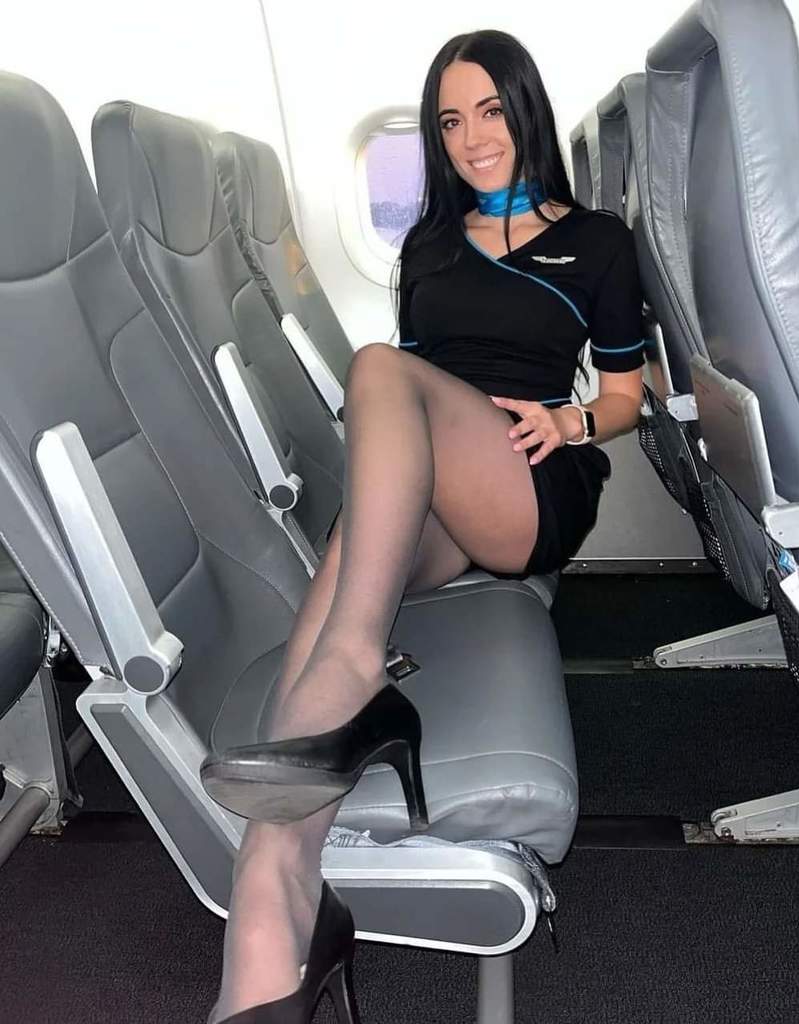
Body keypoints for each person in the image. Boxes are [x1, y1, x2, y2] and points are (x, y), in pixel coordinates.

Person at [200, 28, 645, 1024]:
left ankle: (354, 674)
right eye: (449, 121)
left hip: (529, 480)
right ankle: (271, 915)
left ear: (525, 112)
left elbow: (628, 392)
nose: (472, 138)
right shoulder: (428, 245)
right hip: (441, 484)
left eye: (489, 111)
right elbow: (412, 408)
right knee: (353, 553)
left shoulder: (596, 240)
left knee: (375, 373)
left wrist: (572, 420)